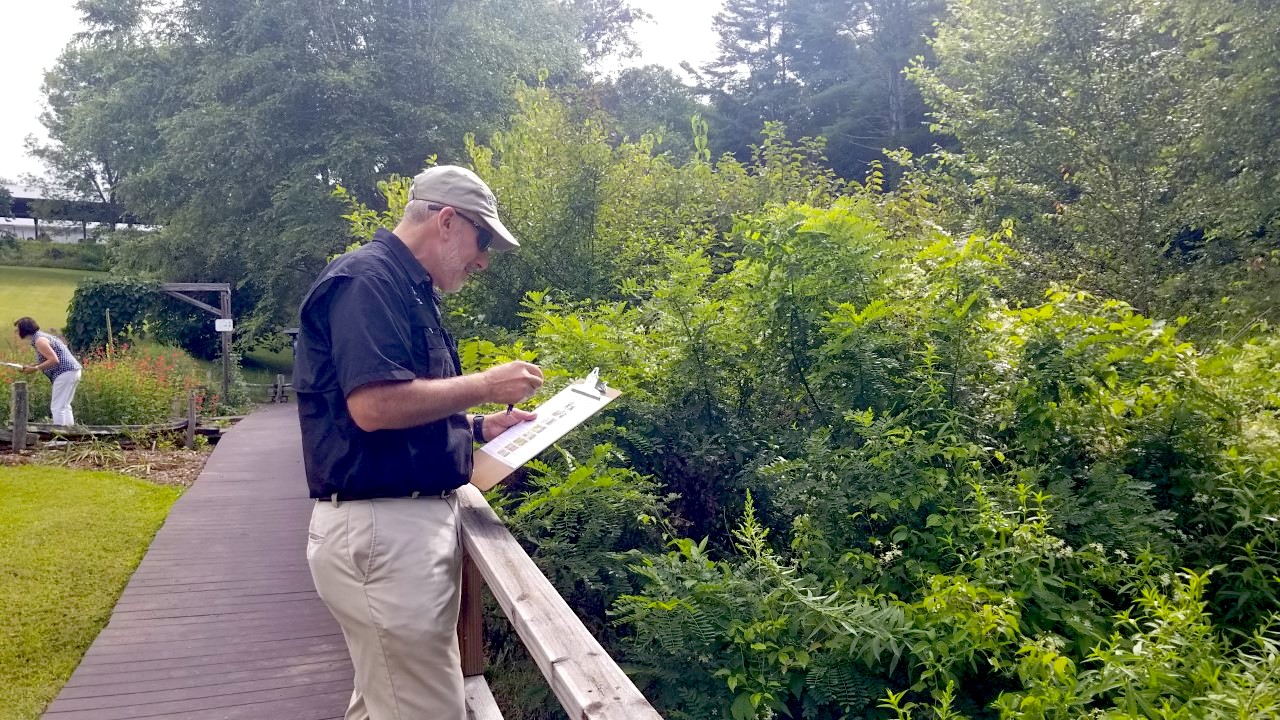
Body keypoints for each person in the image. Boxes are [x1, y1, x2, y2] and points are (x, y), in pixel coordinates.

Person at [293, 165, 543, 720]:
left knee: (383, 704)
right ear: (448, 221)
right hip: (385, 535)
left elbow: (394, 409)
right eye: (483, 243)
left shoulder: (402, 288)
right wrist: (484, 385)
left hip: (395, 533)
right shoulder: (368, 281)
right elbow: (374, 406)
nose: (483, 261)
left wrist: (478, 427)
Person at [14, 317, 82, 426]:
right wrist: (32, 366)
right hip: (72, 371)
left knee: (57, 407)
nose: (16, 332)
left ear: (24, 329)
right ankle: (70, 435)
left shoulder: (39, 340)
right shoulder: (41, 337)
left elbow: (54, 360)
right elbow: (49, 359)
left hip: (64, 372)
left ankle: (60, 438)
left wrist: (35, 369)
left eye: (18, 329)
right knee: (64, 406)